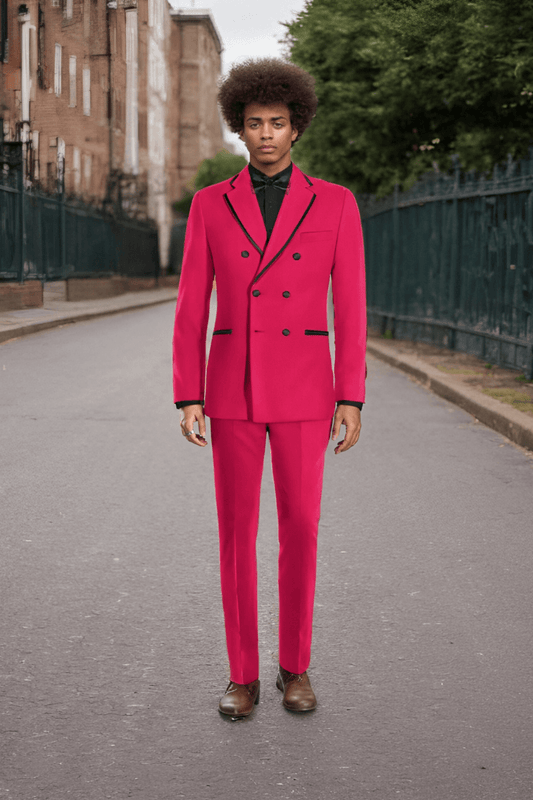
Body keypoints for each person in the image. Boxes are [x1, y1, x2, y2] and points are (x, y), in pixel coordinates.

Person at [172, 58, 366, 719]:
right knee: (236, 533)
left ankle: (295, 668)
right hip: (230, 391)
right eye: (252, 124)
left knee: (301, 527)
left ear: (296, 127)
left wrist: (351, 394)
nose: (264, 135)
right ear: (238, 128)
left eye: (276, 123)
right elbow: (191, 303)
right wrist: (187, 392)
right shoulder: (208, 205)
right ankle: (242, 675)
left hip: (307, 390)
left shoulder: (336, 203)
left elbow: (352, 306)